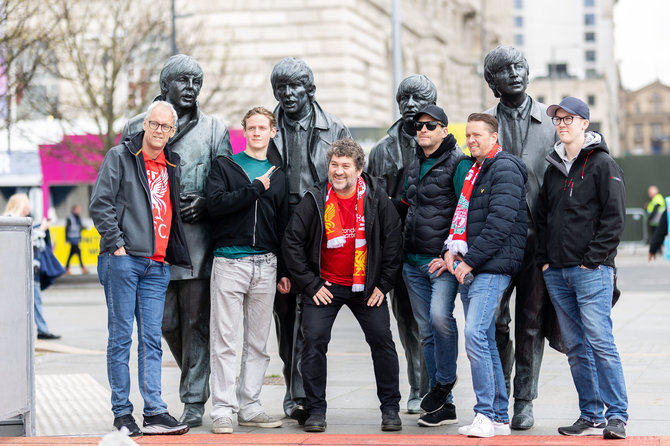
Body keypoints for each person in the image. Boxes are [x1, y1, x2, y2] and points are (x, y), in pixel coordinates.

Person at [122, 54, 232, 428]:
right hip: (153, 244)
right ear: (164, 85)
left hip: (198, 243)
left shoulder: (216, 130)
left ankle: (192, 399)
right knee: (166, 323)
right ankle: (197, 381)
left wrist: (206, 203)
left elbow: (225, 186)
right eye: (183, 81)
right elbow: (123, 185)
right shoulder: (135, 128)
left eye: (196, 82)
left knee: (197, 322)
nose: (191, 88)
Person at [282, 138, 402, 433]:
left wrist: (383, 285)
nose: (338, 171)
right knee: (313, 342)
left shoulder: (377, 199)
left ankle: (390, 409)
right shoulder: (315, 199)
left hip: (367, 287)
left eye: (346, 166)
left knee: (382, 342)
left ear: (359, 169)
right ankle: (316, 411)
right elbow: (292, 243)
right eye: (334, 164)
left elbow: (394, 243)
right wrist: (310, 285)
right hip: (325, 285)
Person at [91, 101, 191, 437]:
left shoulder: (172, 164)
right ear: (144, 125)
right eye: (155, 124)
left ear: (172, 132)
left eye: (166, 127)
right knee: (121, 338)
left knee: (152, 340)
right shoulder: (120, 157)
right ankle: (122, 413)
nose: (160, 131)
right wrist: (117, 245)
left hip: (157, 265)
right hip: (124, 260)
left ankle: (155, 412)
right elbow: (100, 203)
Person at [537, 96, 628, 439]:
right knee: (575, 347)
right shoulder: (553, 167)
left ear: (585, 124)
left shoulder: (603, 165)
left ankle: (617, 415)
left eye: (569, 118)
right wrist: (545, 260)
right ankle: (591, 414)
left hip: (592, 272)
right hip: (558, 272)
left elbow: (614, 218)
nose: (562, 124)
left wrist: (593, 259)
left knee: (600, 342)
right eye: (557, 119)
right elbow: (543, 217)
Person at [268, 57, 351, 423]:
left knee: (308, 316)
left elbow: (351, 179)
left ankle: (302, 393)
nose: (287, 94)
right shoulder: (264, 129)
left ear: (310, 90)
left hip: (319, 228)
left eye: (295, 87)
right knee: (284, 315)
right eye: (281, 88)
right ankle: (292, 384)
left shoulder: (334, 128)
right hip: (276, 228)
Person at [483, 45, 558, 429]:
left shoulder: (550, 119)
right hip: (495, 238)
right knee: (494, 318)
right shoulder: (481, 124)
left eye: (519, 66)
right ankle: (499, 392)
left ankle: (523, 400)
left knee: (530, 319)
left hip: (536, 236)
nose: (514, 73)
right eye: (504, 69)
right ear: (492, 82)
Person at [441, 113, 528, 438]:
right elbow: (463, 216)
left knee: (476, 335)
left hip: (490, 267)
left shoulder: (503, 168)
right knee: (487, 340)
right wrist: (449, 252)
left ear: (494, 137)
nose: (471, 139)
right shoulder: (477, 169)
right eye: (469, 135)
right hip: (474, 264)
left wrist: (469, 262)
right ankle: (499, 418)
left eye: (478, 134)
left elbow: (499, 224)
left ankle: (484, 415)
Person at [205, 107, 289, 434]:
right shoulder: (225, 166)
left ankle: (250, 406)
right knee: (225, 341)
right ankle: (223, 410)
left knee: (257, 343)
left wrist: (283, 268)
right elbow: (215, 205)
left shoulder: (279, 175)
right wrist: (254, 188)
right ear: (244, 131)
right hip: (229, 262)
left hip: (266, 265)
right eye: (250, 128)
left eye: (262, 128)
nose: (256, 133)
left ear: (272, 132)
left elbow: (282, 224)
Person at [398, 104, 469, 427]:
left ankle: (443, 384)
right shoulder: (415, 163)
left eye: (430, 125)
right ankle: (446, 404)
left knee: (441, 319)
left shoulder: (458, 163)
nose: (423, 130)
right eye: (419, 126)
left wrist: (449, 254)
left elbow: (465, 212)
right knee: (426, 330)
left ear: (444, 130)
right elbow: (407, 207)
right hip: (412, 263)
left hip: (441, 263)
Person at [366, 74, 433, 413]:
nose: (409, 106)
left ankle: (438, 385)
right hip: (397, 250)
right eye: (403, 99)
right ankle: (417, 386)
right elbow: (374, 206)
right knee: (405, 318)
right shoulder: (381, 151)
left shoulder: (443, 148)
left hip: (433, 250)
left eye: (417, 100)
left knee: (435, 319)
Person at [3, 193, 61, 340]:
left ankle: (38, 329)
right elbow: (23, 240)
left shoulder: (23, 222)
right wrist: (40, 229)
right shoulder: (10, 221)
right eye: (27, 202)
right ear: (21, 204)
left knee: (33, 302)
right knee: (27, 302)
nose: (30, 206)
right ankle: (39, 329)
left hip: (30, 269)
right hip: (20, 271)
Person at [65, 204, 88, 274]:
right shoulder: (70, 218)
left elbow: (79, 227)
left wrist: (85, 227)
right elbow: (67, 229)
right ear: (74, 210)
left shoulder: (78, 217)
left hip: (76, 238)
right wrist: (66, 238)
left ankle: (66, 268)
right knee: (78, 252)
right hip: (72, 239)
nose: (79, 211)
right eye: (78, 209)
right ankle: (82, 267)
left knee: (71, 254)